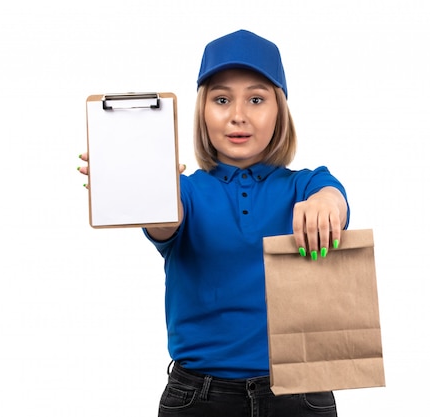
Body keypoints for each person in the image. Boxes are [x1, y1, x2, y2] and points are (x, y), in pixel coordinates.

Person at [79, 29, 349, 417]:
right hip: (199, 398)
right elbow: (165, 222)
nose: (238, 114)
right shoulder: (184, 193)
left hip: (300, 396)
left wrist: (326, 203)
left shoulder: (306, 184)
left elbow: (334, 199)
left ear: (280, 111)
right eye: (221, 99)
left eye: (256, 99)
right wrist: (147, 191)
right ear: (203, 110)